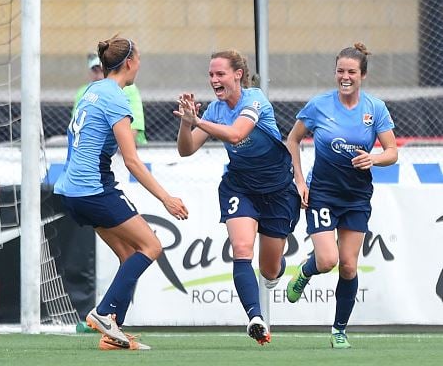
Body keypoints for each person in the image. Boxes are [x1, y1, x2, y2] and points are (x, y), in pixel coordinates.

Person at [54, 35, 188, 351]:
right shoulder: (116, 98)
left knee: (129, 253)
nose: (139, 65)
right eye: (139, 59)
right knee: (151, 246)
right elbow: (131, 161)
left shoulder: (92, 91)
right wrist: (166, 198)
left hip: (72, 190)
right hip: (94, 189)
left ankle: (114, 334)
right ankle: (103, 314)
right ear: (129, 62)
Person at [173, 50, 301, 345]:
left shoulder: (254, 100)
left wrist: (198, 120)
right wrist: (186, 122)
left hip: (278, 190)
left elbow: (236, 134)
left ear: (238, 75)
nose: (214, 80)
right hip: (240, 186)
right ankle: (255, 317)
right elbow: (186, 149)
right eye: (210, 75)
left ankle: (277, 269)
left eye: (220, 74)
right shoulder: (215, 110)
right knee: (242, 247)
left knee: (269, 270)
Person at [285, 42, 398, 349]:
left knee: (348, 266)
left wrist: (373, 158)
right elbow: (292, 141)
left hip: (357, 197)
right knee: (327, 260)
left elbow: (392, 152)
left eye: (351, 72)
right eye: (340, 71)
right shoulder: (319, 105)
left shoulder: (375, 109)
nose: (345, 77)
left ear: (363, 75)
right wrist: (299, 181)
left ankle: (339, 329)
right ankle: (306, 271)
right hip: (322, 194)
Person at [72, 52, 147, 145]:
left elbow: (133, 131)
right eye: (95, 70)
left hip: (123, 148)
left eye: (102, 70)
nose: (99, 76)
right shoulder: (82, 92)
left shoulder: (128, 89)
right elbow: (76, 130)